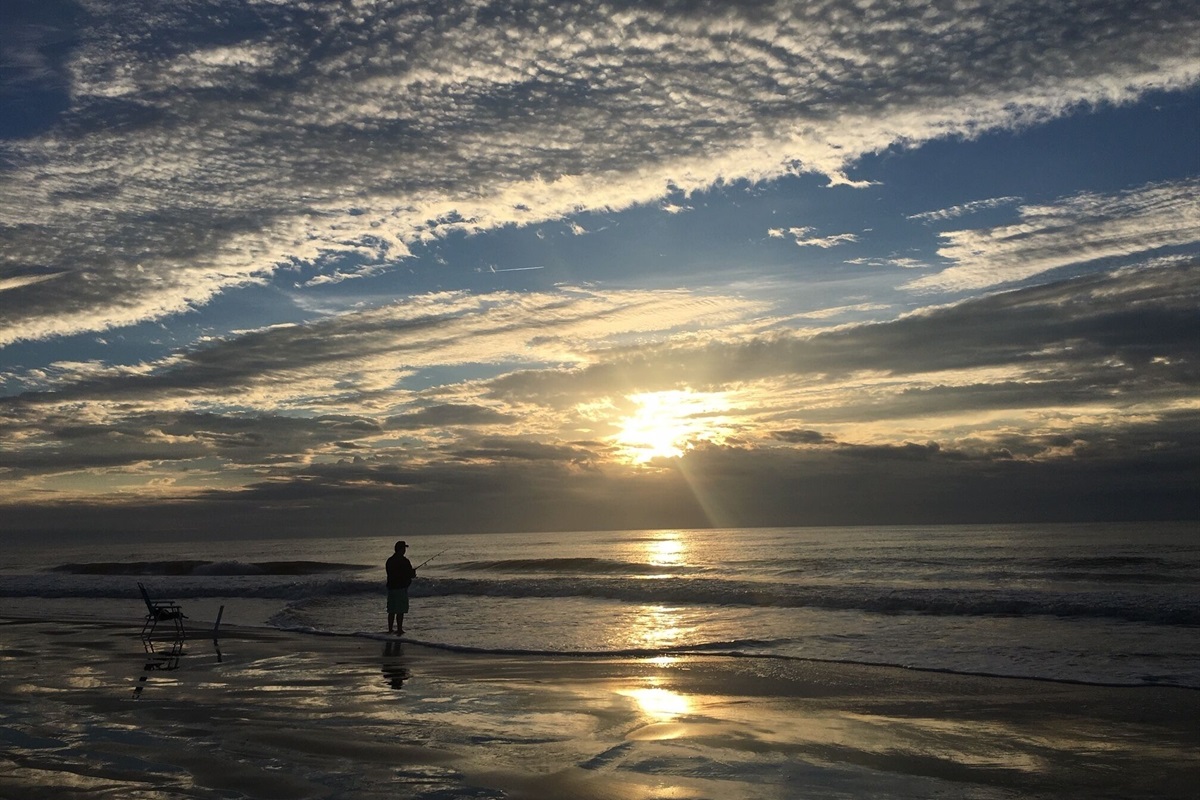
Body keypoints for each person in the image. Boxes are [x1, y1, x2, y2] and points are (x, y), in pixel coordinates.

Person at [386, 540, 416, 634]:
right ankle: (399, 629)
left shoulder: (389, 560)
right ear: (401, 549)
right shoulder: (404, 561)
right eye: (404, 548)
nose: (405, 550)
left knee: (391, 610)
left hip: (391, 588)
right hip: (401, 588)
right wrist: (413, 573)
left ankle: (390, 629)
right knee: (400, 610)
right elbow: (410, 575)